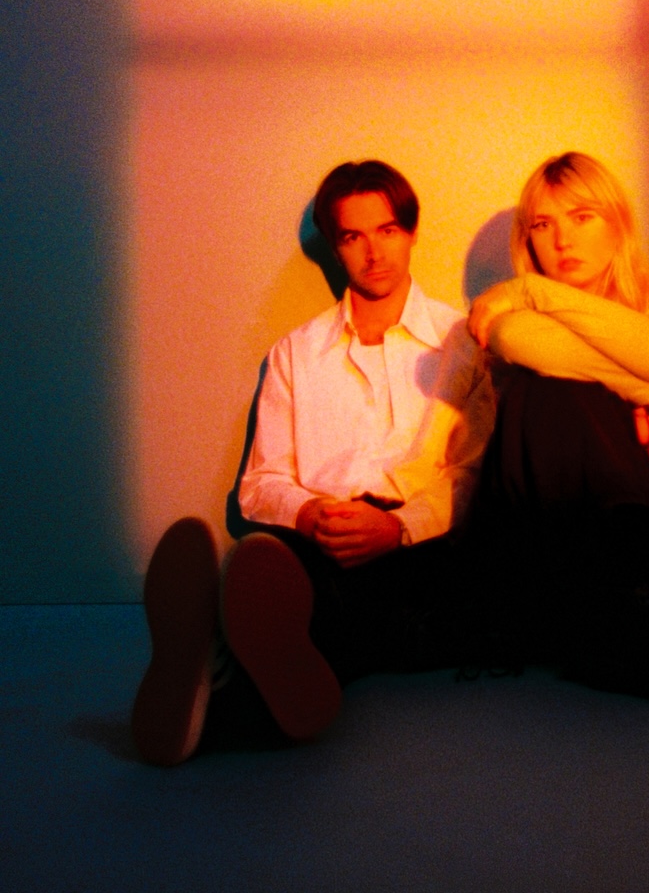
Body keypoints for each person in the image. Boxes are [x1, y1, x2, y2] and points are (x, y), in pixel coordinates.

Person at [131, 160, 495, 766]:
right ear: (334, 245)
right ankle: (233, 657)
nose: (373, 252)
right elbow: (261, 483)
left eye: (386, 230)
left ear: (410, 232)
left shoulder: (463, 343)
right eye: (353, 236)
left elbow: (473, 477)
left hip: (417, 545)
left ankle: (213, 667)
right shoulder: (296, 353)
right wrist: (310, 516)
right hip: (317, 540)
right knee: (292, 581)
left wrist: (397, 527)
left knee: (358, 610)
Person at [466, 151, 649, 703]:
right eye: (543, 225)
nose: (562, 240)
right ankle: (622, 619)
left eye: (582, 217)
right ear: (528, 241)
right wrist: (637, 389)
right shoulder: (515, 317)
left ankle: (628, 610)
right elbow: (511, 338)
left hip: (641, 532)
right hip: (540, 536)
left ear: (618, 225)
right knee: (549, 386)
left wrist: (532, 290)